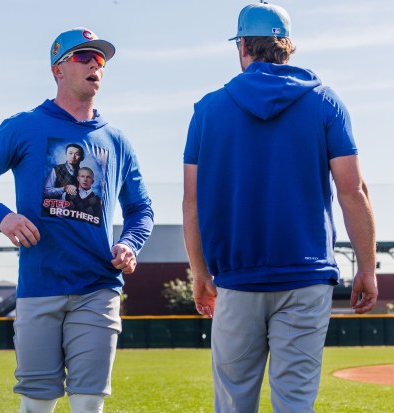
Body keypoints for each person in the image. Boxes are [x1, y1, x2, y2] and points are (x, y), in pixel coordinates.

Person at [182, 3, 378, 412]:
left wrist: (200, 273)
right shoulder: (326, 102)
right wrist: (366, 267)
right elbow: (353, 190)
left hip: (236, 279)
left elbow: (192, 202)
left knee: (234, 404)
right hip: (306, 277)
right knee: (295, 403)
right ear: (287, 47)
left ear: (243, 47)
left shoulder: (207, 110)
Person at [0, 27, 154, 413]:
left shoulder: (117, 140)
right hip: (39, 284)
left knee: (88, 402)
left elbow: (141, 209)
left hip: (98, 287)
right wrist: (5, 219)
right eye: (83, 57)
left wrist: (130, 244)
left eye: (100, 60)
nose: (95, 64)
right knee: (36, 403)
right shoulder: (23, 126)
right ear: (57, 69)